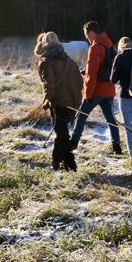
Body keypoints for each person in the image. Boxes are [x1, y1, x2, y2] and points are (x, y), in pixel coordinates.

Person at [70, 21, 123, 155]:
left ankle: (72, 144)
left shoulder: (95, 48)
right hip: (110, 90)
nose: (86, 37)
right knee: (111, 119)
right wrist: (86, 70)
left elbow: (92, 75)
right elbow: (105, 66)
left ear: (92, 33)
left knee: (81, 116)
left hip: (96, 91)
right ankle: (117, 147)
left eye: (86, 34)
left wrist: (87, 95)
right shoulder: (109, 44)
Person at [35, 32, 82, 171]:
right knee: (61, 132)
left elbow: (48, 83)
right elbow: (80, 82)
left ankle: (70, 163)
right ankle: (56, 161)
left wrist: (50, 99)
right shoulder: (68, 59)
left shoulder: (45, 61)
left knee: (62, 133)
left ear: (44, 44)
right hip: (72, 101)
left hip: (58, 102)